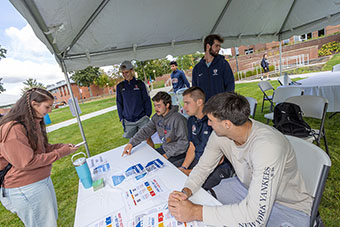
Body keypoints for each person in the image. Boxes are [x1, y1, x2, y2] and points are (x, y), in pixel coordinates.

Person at [168, 92, 313, 226]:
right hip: (247, 188)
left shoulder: (267, 146)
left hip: (289, 206)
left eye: (211, 120)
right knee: (206, 199)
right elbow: (203, 167)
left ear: (227, 124)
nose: (208, 124)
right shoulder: (220, 134)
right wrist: (186, 191)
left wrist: (195, 212)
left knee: (207, 211)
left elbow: (256, 218)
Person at [0, 88, 79, 227]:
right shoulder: (13, 128)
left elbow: (42, 148)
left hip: (39, 182)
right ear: (34, 104)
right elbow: (27, 162)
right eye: (47, 107)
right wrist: (60, 153)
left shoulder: (32, 123)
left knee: (50, 221)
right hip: (26, 187)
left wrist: (62, 147)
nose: (50, 111)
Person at [179, 87, 233, 190]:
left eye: (187, 103)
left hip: (218, 166)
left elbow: (219, 159)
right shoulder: (191, 120)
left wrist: (190, 172)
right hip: (200, 162)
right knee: (178, 178)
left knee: (197, 190)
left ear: (199, 102)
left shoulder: (215, 122)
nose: (184, 107)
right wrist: (183, 168)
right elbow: (192, 146)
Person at [122, 92, 189, 167]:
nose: (156, 108)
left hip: (178, 153)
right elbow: (145, 131)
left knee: (157, 168)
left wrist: (166, 155)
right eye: (155, 106)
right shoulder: (156, 117)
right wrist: (131, 143)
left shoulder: (178, 119)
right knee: (144, 161)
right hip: (165, 149)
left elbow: (183, 143)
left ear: (167, 105)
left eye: (159, 106)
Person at [116, 60, 152, 140]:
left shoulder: (140, 84)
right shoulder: (120, 86)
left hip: (142, 118)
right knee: (133, 143)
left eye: (127, 72)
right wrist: (121, 118)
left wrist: (147, 114)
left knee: (148, 139)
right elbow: (119, 103)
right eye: (123, 73)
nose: (125, 75)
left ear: (132, 71)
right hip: (128, 121)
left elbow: (146, 99)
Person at [192, 34, 235, 101]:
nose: (219, 48)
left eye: (219, 46)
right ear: (208, 46)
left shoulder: (223, 64)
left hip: (220, 107)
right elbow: (195, 91)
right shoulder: (197, 69)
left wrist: (225, 102)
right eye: (216, 46)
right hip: (204, 108)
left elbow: (230, 85)